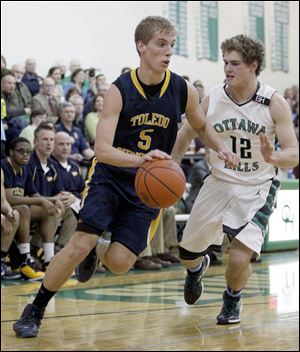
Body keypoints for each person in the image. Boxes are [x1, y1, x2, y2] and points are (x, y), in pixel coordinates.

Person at [13, 16, 238, 338]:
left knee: (119, 262)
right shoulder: (120, 90)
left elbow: (201, 125)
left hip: (147, 190)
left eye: (171, 45)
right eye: (161, 44)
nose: (168, 52)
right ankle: (35, 309)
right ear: (141, 46)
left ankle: (98, 250)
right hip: (110, 176)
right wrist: (141, 159)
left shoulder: (182, 88)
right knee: (79, 243)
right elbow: (102, 149)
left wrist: (222, 149)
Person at [171, 34, 299, 325]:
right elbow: (187, 131)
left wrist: (274, 157)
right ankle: (196, 268)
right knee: (187, 253)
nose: (228, 69)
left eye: (235, 64)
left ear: (253, 66)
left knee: (240, 257)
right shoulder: (214, 96)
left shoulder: (273, 102)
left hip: (257, 186)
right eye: (225, 62)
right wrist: (173, 162)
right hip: (218, 180)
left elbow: (293, 154)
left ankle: (231, 300)